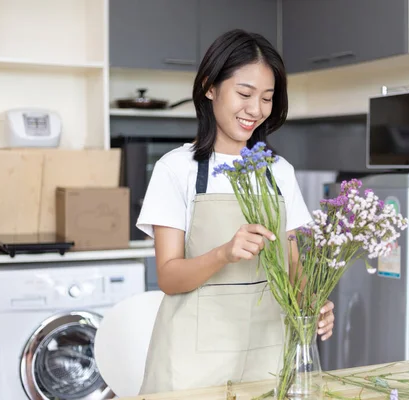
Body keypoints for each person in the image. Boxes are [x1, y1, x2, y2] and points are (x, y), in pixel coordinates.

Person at [135, 29, 336, 394]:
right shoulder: (175, 169)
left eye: (267, 98)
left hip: (268, 358)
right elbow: (168, 277)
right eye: (244, 94)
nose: (255, 110)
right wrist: (224, 253)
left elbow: (293, 270)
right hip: (191, 365)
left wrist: (314, 302)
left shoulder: (279, 172)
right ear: (210, 87)